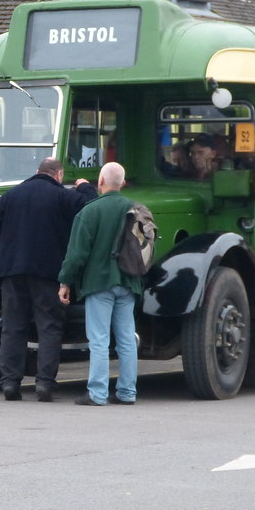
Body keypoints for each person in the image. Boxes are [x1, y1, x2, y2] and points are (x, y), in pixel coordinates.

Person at [0, 157, 97, 402]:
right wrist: (84, 187)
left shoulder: (11, 195)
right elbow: (92, 206)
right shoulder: (62, 196)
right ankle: (44, 383)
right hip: (48, 272)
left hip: (12, 270)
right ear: (59, 175)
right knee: (49, 326)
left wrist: (11, 243)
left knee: (12, 327)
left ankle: (10, 382)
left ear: (37, 171)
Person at [58, 162, 141, 406]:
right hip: (129, 281)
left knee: (99, 339)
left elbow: (77, 254)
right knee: (127, 339)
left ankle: (97, 393)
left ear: (101, 182)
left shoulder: (90, 211)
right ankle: (127, 392)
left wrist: (65, 281)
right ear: (122, 183)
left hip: (99, 283)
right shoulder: (136, 209)